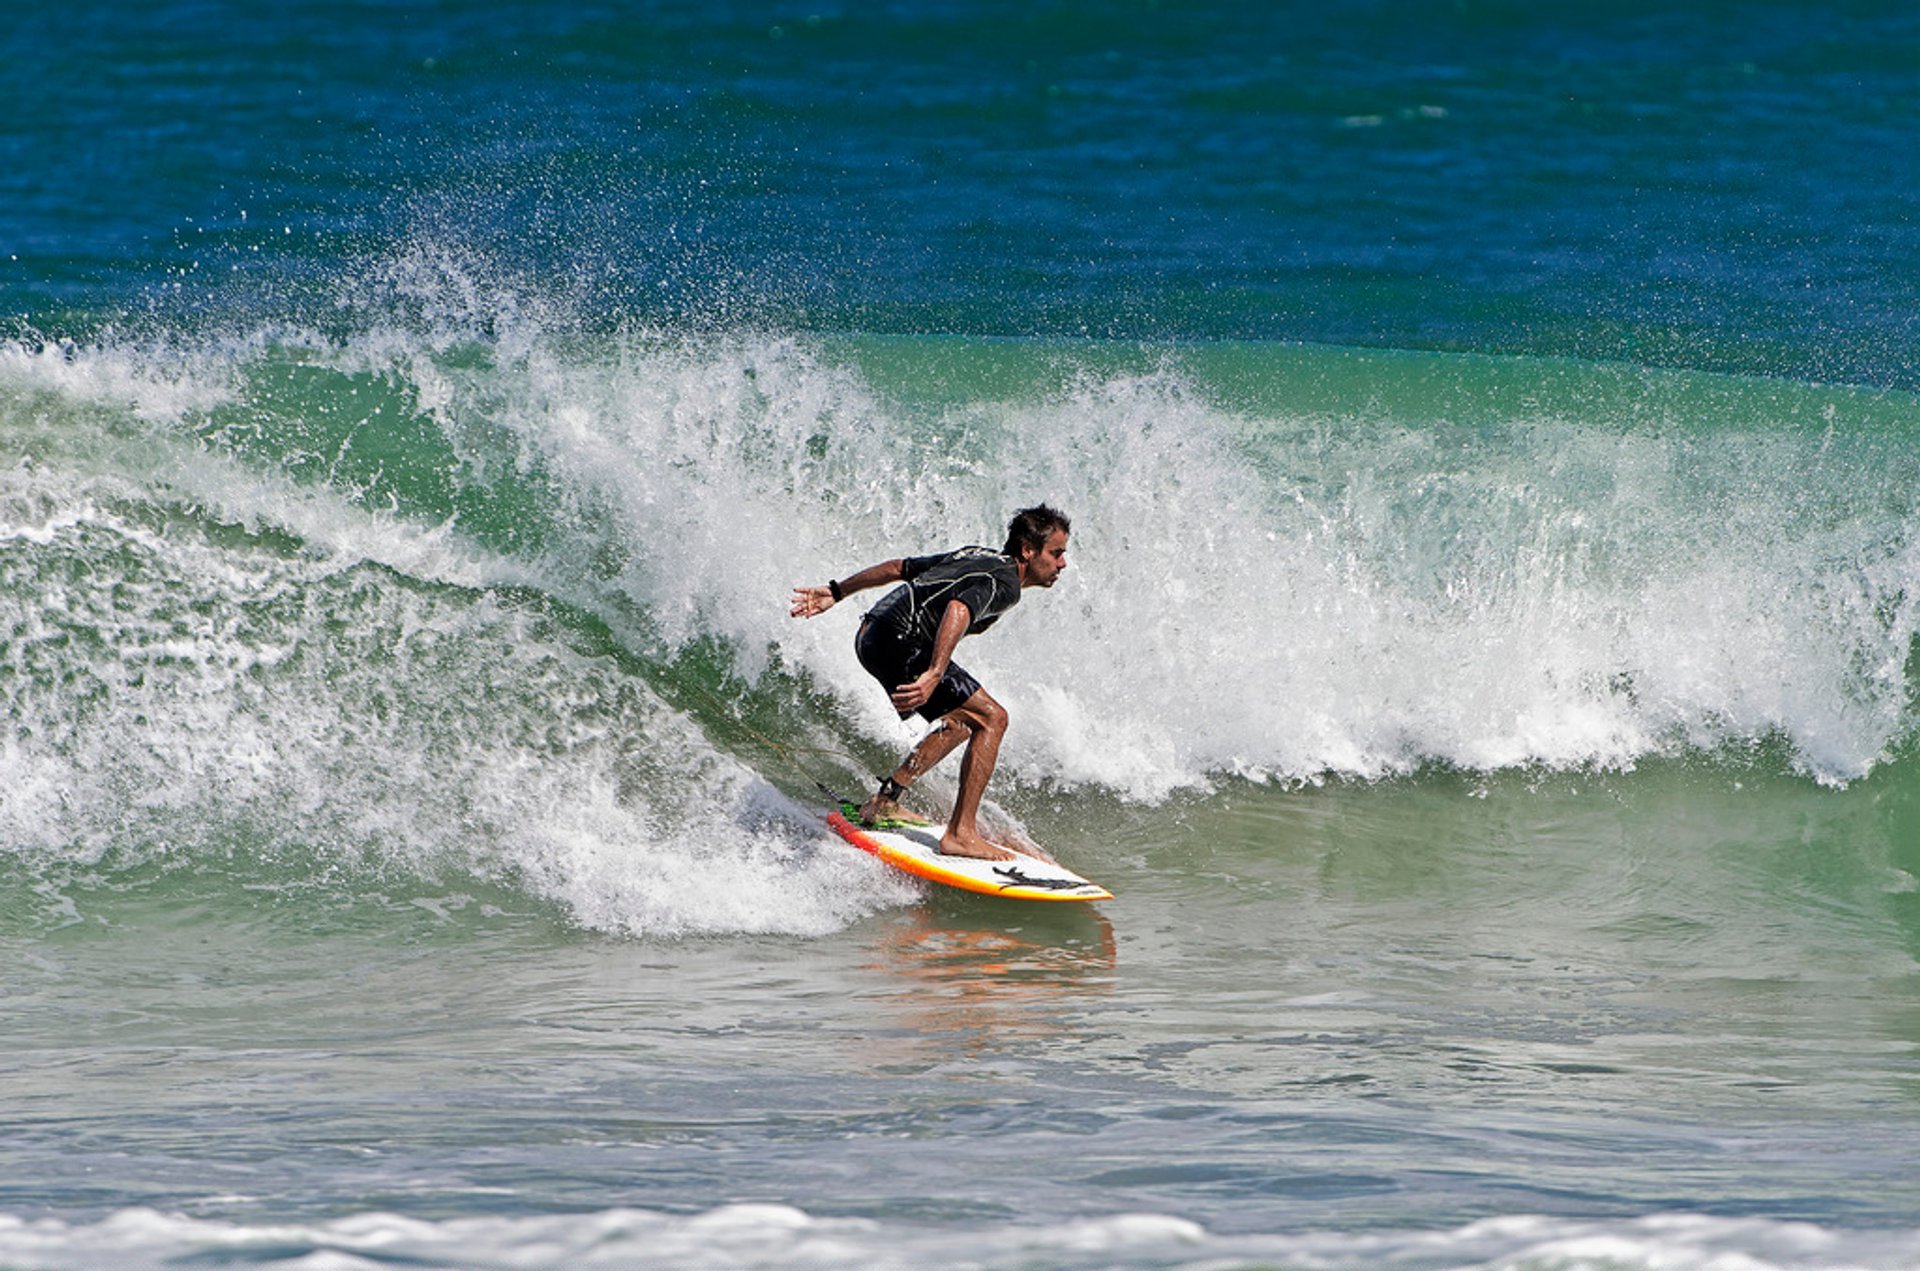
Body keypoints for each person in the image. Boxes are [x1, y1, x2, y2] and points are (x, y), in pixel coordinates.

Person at [790, 505, 1070, 862]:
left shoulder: (975, 554)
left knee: (960, 721)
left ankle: (885, 802)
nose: (1062, 564)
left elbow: (899, 568)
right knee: (993, 718)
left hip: (873, 632)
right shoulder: (1006, 583)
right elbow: (958, 608)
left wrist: (837, 591)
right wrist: (935, 672)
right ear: (1028, 550)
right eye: (1056, 553)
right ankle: (961, 834)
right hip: (899, 641)